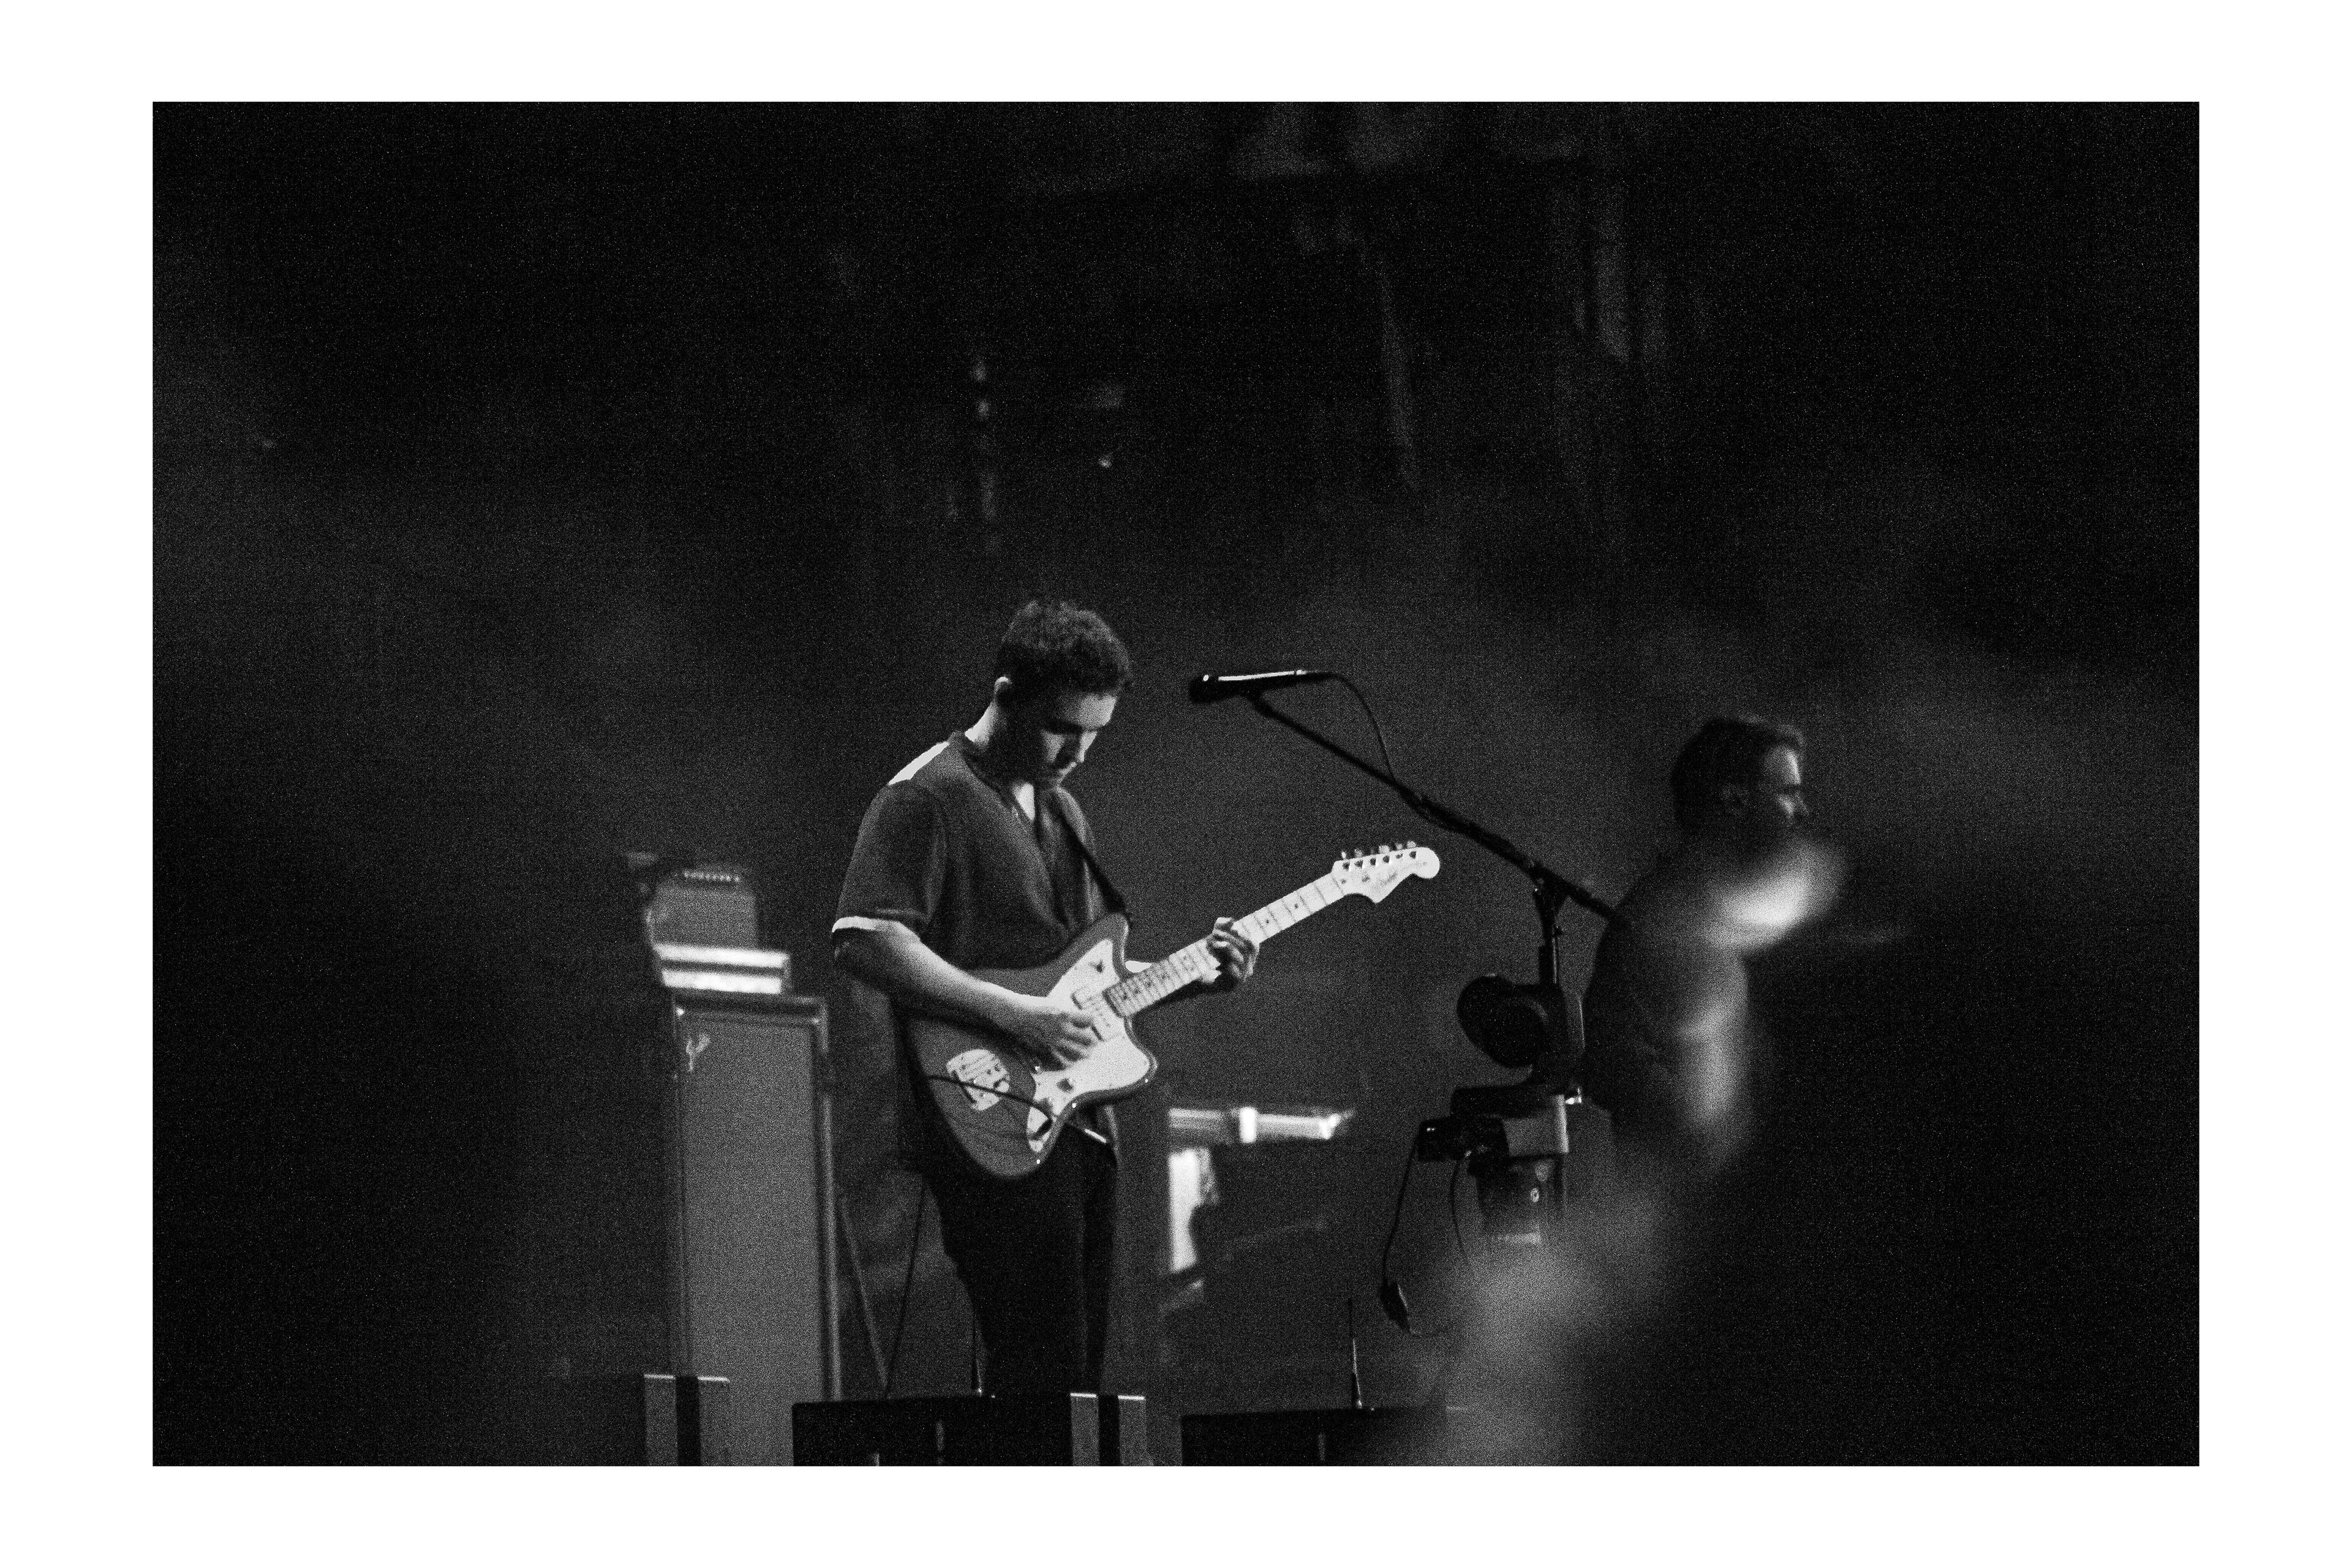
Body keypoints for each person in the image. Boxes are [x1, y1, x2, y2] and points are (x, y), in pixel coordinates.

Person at [832, 600, 1258, 1398]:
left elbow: (1086, 984)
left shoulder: (1062, 809)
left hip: (1074, 1123)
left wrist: (1201, 972)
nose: (1079, 753)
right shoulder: (928, 797)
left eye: (1096, 733)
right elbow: (864, 937)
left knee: (1080, 1375)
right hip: (981, 1106)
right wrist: (1013, 1015)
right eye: (1065, 728)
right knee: (1040, 1362)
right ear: (1007, 693)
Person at [1581, 715, 1838, 1189]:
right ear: (1735, 800)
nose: (1801, 810)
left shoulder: (1763, 911)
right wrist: (1706, 1132)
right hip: (1691, 1213)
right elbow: (1609, 1059)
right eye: (1787, 792)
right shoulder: (1658, 917)